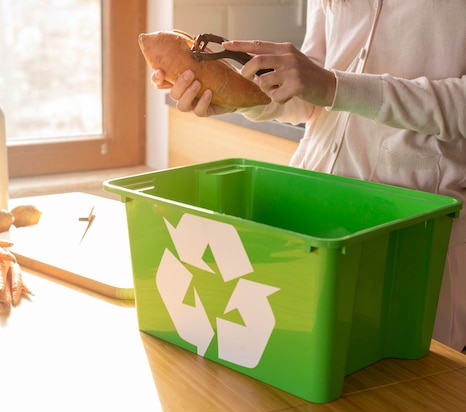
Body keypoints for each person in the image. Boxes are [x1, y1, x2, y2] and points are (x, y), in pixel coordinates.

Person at [153, 0, 466, 351]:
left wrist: (335, 87)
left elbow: (331, 85)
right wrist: (240, 99)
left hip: (414, 231)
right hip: (307, 218)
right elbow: (310, 89)